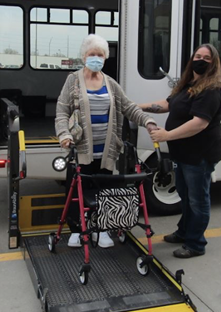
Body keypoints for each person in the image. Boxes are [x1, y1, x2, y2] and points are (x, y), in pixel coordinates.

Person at [55, 34, 157, 248]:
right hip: (81, 149)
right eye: (92, 54)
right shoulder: (73, 80)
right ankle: (77, 229)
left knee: (104, 190)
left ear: (105, 57)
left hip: (107, 150)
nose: (96, 58)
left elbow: (128, 107)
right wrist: (64, 134)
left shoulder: (110, 83)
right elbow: (62, 111)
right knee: (77, 190)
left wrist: (147, 121)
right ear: (84, 56)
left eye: (100, 55)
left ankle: (101, 230)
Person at [139, 44, 221, 258]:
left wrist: (166, 135)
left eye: (206, 58)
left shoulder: (211, 90)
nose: (201, 60)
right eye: (198, 56)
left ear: (213, 63)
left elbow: (199, 123)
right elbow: (167, 104)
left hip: (200, 155)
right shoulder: (188, 84)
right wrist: (136, 106)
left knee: (198, 199)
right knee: (185, 196)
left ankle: (196, 244)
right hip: (183, 154)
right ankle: (184, 231)